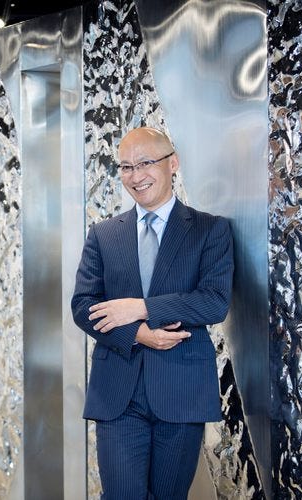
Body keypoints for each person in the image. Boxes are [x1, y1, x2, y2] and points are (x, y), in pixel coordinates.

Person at [71, 127, 234, 499]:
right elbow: (83, 306)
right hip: (118, 394)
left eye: (145, 163)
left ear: (172, 163)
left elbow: (213, 301)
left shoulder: (210, 230)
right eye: (126, 167)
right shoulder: (104, 235)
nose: (136, 175)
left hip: (181, 390)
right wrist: (138, 334)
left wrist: (141, 308)